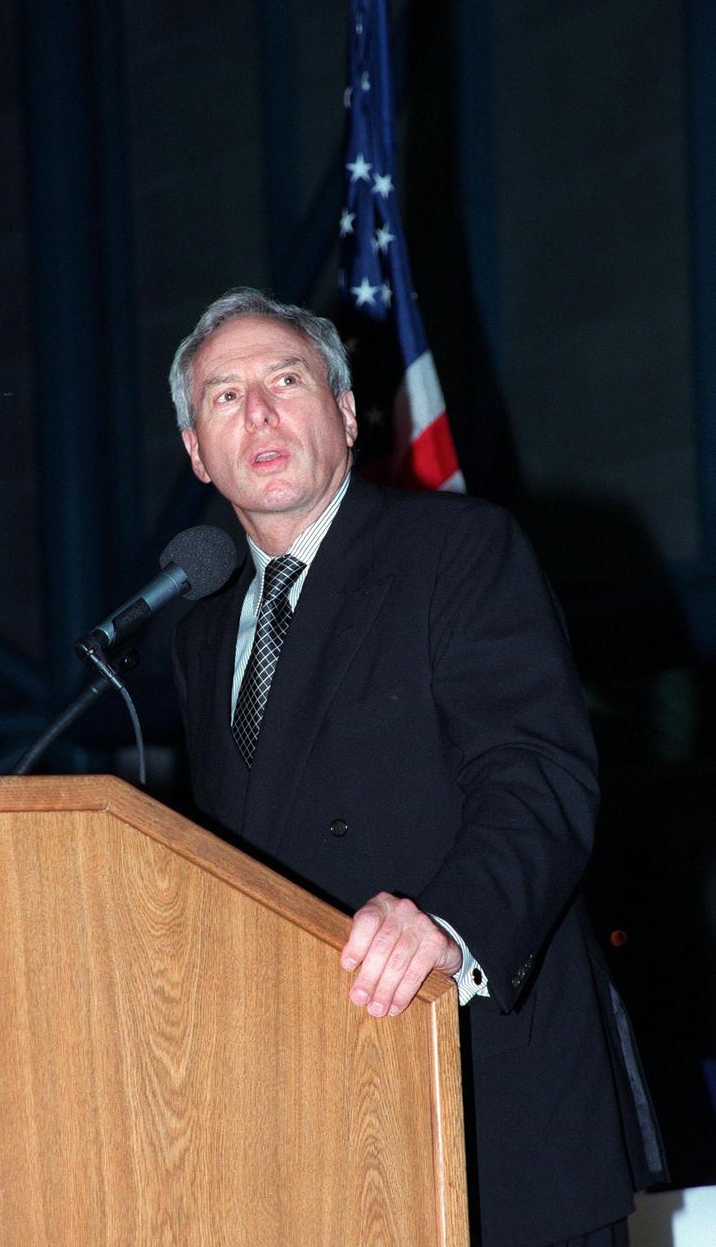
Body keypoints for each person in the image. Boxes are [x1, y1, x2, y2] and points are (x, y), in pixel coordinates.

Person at [169, 287, 665, 1247]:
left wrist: (447, 922)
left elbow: (538, 780)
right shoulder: (195, 632)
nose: (259, 413)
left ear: (348, 414)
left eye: (286, 379)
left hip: (488, 1099)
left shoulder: (457, 550)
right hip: (312, 1125)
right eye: (224, 398)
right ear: (197, 452)